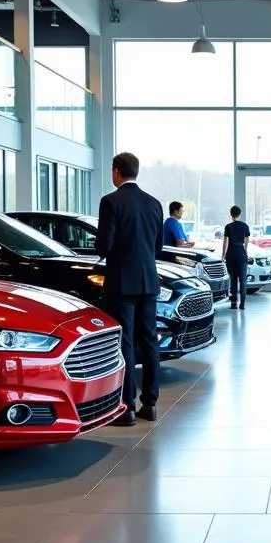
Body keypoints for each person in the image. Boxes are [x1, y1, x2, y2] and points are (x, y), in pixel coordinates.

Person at [96, 152, 164, 426]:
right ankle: (151, 403)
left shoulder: (110, 202)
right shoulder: (154, 204)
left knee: (125, 343)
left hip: (121, 283)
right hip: (149, 282)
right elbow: (157, 247)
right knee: (149, 341)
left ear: (116, 172)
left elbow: (104, 245)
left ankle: (127, 408)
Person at [221, 205, 251, 310]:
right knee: (243, 280)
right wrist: (245, 252)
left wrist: (223, 255)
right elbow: (246, 241)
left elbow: (225, 243)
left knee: (233, 279)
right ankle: (242, 304)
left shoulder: (228, 227)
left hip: (231, 253)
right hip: (241, 253)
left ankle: (233, 304)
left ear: (231, 214)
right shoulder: (245, 226)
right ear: (240, 214)